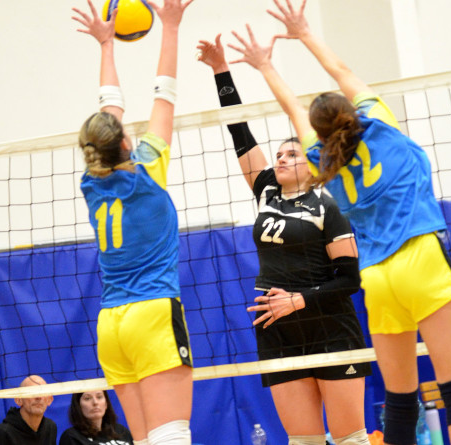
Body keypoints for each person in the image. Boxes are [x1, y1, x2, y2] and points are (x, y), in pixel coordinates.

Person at [226, 1, 451, 444]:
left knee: (400, 402)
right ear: (351, 111)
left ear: (319, 133)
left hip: (378, 277)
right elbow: (341, 70)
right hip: (421, 258)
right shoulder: (382, 126)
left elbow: (293, 109)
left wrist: (265, 65)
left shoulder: (323, 162)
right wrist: (304, 33)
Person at [197, 34, 372, 445]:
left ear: (312, 163)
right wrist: (221, 71)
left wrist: (299, 299)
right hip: (276, 329)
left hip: (329, 326)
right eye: (277, 154)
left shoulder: (329, 205)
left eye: (291, 154)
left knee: (351, 439)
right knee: (303, 441)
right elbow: (239, 132)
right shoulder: (267, 191)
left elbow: (350, 280)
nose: (280, 158)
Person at [71, 0, 193, 443]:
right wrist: (171, 27)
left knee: (142, 441)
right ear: (125, 143)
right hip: (152, 313)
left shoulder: (92, 182)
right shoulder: (148, 172)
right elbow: (165, 94)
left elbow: (110, 110)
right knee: (172, 436)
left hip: (111, 324)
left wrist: (106, 45)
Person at [0, 375, 57, 445]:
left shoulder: (50, 427)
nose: (38, 397)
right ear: (18, 400)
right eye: (32, 392)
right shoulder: (2, 433)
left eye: (43, 392)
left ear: (50, 400)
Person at [59, 390, 133, 445]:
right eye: (87, 398)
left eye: (99, 397)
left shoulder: (121, 431)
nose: (95, 402)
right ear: (78, 406)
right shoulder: (72, 437)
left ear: (106, 404)